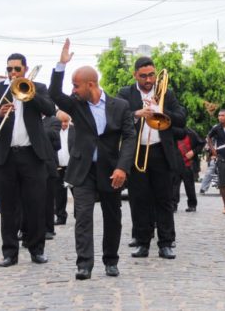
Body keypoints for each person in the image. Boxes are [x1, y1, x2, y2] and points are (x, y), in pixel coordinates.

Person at [49, 39, 136, 279]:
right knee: (83, 217)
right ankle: (84, 264)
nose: (73, 90)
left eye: (76, 86)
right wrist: (61, 65)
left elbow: (130, 138)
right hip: (83, 170)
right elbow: (54, 93)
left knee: (112, 217)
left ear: (91, 84)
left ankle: (111, 260)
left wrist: (122, 168)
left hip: (111, 170)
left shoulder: (120, 106)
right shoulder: (76, 104)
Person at [0, 52, 55, 267]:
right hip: (6, 155)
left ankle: (37, 250)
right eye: (10, 69)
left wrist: (31, 94)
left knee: (35, 205)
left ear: (25, 69)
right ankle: (9, 253)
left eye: (17, 69)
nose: (13, 73)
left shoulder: (37, 88)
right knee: (8, 207)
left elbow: (50, 110)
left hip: (32, 154)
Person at [117, 56, 186, 260]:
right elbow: (116, 117)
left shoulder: (166, 92)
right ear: (135, 75)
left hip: (160, 151)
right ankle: (142, 242)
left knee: (164, 199)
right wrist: (138, 113)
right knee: (139, 200)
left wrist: (160, 109)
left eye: (151, 75)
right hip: (137, 151)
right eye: (144, 76)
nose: (149, 80)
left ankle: (165, 243)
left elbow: (182, 118)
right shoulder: (125, 93)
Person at [207, 109, 225, 215]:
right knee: (222, 184)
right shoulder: (216, 128)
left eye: (222, 115)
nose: (220, 117)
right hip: (222, 158)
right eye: (219, 116)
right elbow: (208, 138)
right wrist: (213, 151)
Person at [173, 127, 203, 212]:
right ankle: (173, 205)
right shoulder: (171, 131)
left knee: (189, 186)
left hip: (188, 164)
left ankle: (192, 205)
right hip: (175, 164)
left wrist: (193, 152)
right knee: (174, 186)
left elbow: (201, 143)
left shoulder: (190, 132)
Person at [54, 110, 74, 225]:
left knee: (76, 192)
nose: (64, 124)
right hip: (59, 167)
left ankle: (78, 215)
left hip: (72, 168)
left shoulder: (74, 130)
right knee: (59, 195)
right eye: (61, 122)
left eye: (66, 121)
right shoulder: (53, 130)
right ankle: (61, 217)